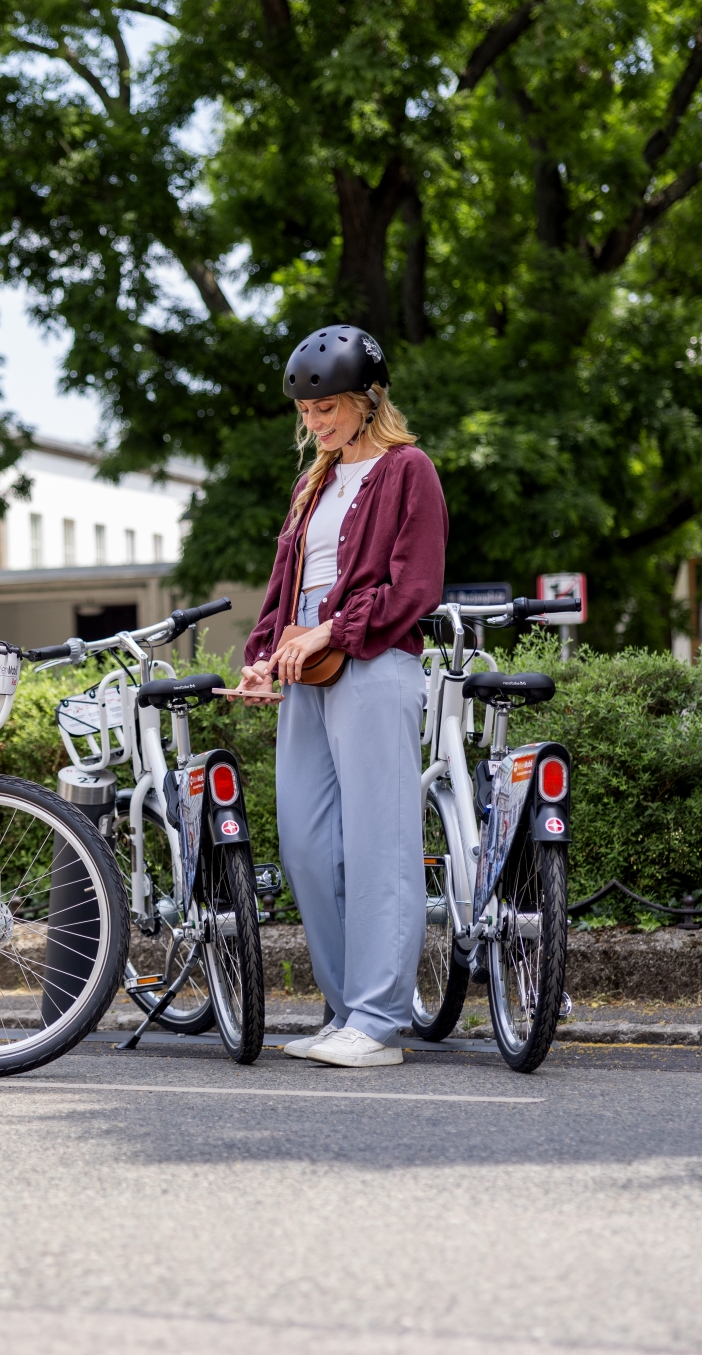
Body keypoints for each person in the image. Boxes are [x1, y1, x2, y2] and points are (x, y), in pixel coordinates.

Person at [238, 325, 447, 1068]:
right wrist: (265, 657)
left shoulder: (407, 470)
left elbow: (415, 585)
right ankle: (344, 1008)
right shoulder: (313, 484)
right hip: (308, 662)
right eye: (306, 412)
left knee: (379, 841)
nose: (316, 422)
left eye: (328, 408)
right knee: (305, 839)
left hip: (375, 655)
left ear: (368, 400)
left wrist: (328, 631)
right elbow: (283, 586)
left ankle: (380, 1021)